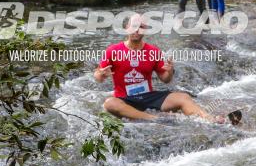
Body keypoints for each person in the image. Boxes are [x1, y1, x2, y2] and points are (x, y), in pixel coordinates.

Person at [94, 14, 235, 123]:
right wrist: (101, 74)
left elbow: (165, 80)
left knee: (183, 97)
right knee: (109, 103)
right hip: (125, 99)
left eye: (141, 26)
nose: (137, 30)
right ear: (126, 28)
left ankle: (210, 120)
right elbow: (98, 77)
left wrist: (169, 71)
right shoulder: (113, 51)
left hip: (148, 97)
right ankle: (154, 118)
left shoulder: (153, 51)